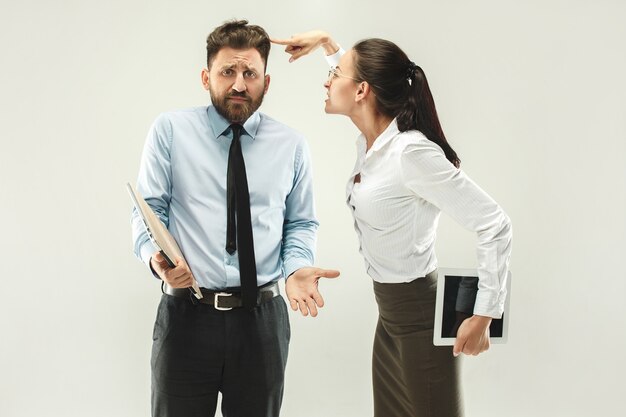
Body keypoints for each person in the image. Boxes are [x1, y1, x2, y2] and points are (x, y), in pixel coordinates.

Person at [271, 31, 512, 417]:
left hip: (419, 318)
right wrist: (328, 45)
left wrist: (485, 313)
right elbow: (352, 73)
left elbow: (495, 224)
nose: (327, 80)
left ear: (363, 90)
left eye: (336, 75)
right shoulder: (372, 146)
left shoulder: (410, 153)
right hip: (389, 319)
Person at [131, 20, 339, 417]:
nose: (239, 84)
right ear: (207, 77)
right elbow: (149, 209)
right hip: (186, 315)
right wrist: (156, 260)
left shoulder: (291, 146)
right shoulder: (171, 131)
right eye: (228, 72)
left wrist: (296, 268)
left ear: (267, 81)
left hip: (261, 321)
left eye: (250, 73)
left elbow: (300, 223)